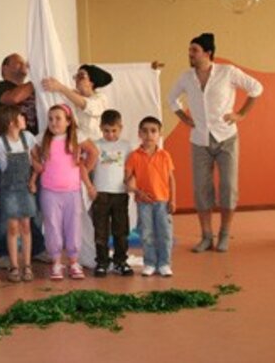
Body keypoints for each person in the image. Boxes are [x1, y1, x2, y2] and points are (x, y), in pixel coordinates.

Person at [168, 33, 263, 253]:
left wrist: (240, 114)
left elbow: (256, 88)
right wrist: (184, 118)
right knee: (202, 189)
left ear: (208, 53)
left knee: (228, 187)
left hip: (226, 137)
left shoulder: (227, 72)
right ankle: (206, 236)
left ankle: (224, 234)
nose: (190, 54)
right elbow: (171, 99)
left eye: (194, 50)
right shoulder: (186, 77)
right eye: (190, 50)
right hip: (199, 140)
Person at [0, 53, 47, 265]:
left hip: (29, 148)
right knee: (7, 204)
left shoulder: (33, 90)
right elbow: (13, 99)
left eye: (25, 63)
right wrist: (36, 78)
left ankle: (36, 249)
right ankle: (5, 252)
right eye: (18, 63)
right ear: (5, 68)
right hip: (7, 154)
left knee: (34, 204)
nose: (24, 65)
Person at [35, 104, 98, 280]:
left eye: (58, 118)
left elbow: (93, 152)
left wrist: (83, 169)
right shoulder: (42, 138)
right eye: (50, 119)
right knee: (52, 226)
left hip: (72, 192)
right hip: (50, 192)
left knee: (73, 226)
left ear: (68, 121)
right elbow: (31, 152)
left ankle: (73, 261)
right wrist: (37, 165)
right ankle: (56, 262)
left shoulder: (76, 138)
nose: (53, 122)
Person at [125, 116, 176, 277]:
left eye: (153, 131)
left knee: (165, 233)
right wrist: (138, 192)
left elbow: (171, 179)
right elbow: (127, 181)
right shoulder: (134, 156)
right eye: (145, 131)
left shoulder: (165, 155)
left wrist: (172, 199)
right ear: (139, 134)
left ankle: (164, 263)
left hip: (163, 201)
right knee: (147, 234)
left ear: (160, 134)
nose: (149, 135)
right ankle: (150, 263)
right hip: (143, 203)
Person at [0, 105, 39, 283]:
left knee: (26, 226)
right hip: (9, 191)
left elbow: (36, 163)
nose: (24, 118)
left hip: (26, 188)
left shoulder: (28, 138)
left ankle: (27, 265)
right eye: (20, 116)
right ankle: (14, 265)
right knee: (12, 227)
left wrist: (33, 181)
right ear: (11, 122)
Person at [90, 109, 134, 277]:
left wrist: (130, 182)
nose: (110, 134)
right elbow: (88, 167)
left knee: (121, 230)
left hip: (120, 194)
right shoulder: (95, 145)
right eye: (106, 131)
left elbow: (131, 169)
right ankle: (102, 262)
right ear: (101, 128)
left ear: (120, 128)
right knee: (101, 231)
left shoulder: (126, 146)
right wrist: (90, 187)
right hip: (100, 194)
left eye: (114, 130)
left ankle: (120, 261)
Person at [41, 64, 113, 141]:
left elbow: (86, 105)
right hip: (77, 142)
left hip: (96, 143)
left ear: (91, 82)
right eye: (76, 76)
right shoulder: (72, 95)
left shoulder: (101, 98)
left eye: (81, 76)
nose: (77, 79)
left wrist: (60, 87)